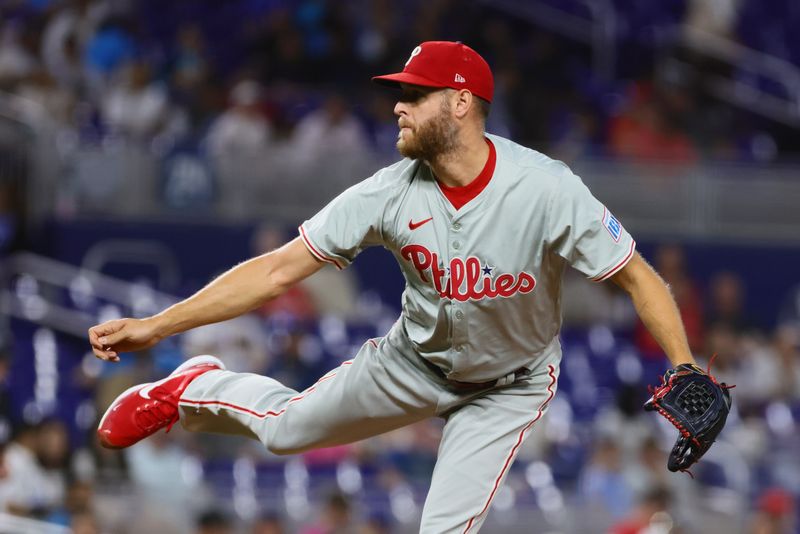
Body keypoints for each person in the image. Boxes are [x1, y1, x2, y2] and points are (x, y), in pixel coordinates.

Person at [89, 41, 705, 533]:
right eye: (400, 95)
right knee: (284, 432)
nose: (398, 107)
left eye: (415, 94)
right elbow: (277, 270)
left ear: (461, 103)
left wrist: (683, 366)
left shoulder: (546, 189)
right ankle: (192, 389)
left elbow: (635, 276)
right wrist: (158, 325)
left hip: (508, 388)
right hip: (415, 361)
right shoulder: (388, 192)